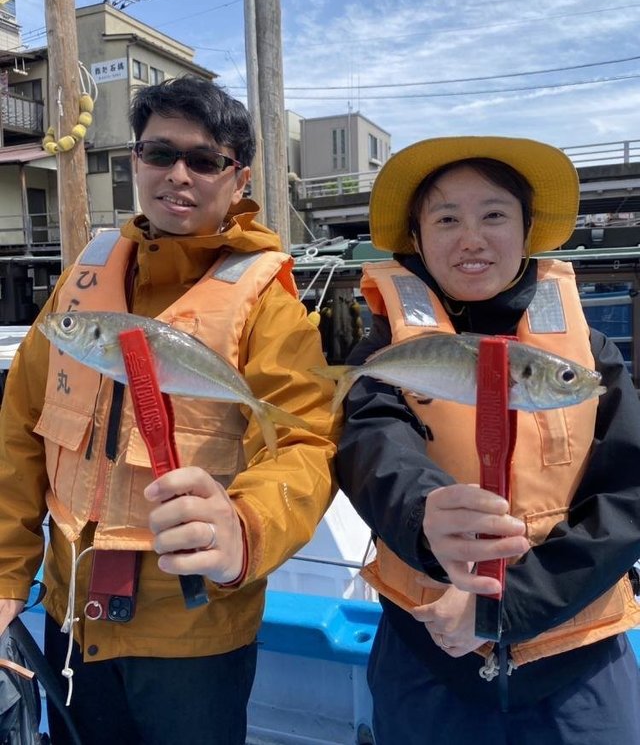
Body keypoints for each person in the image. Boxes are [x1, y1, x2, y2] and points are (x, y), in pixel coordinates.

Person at [0, 75, 340, 745]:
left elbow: (305, 443)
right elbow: (18, 432)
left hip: (196, 634)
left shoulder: (267, 303)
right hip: (71, 618)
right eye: (158, 154)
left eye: (204, 159)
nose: (176, 174)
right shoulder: (82, 281)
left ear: (237, 178)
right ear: (134, 162)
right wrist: (7, 572)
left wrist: (245, 528)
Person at [336, 136, 640, 745]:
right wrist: (428, 520)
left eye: (494, 215)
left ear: (528, 231)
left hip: (577, 657)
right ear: (418, 239)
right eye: (446, 219)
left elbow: (629, 493)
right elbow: (373, 449)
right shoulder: (387, 356)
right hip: (427, 657)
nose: (471, 238)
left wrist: (505, 605)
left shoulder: (590, 356)